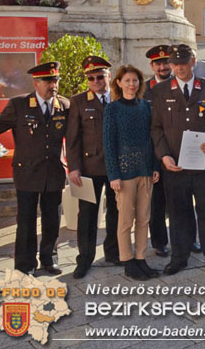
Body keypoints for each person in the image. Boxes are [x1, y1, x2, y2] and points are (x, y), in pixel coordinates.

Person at [0, 62, 69, 275]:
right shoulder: (18, 105)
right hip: (27, 172)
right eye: (48, 81)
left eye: (55, 80)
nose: (53, 85)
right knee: (26, 221)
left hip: (54, 172)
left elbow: (76, 136)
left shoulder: (64, 105)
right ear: (36, 83)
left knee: (52, 219)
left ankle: (49, 258)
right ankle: (25, 264)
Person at [150, 44, 205, 274]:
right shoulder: (160, 91)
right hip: (174, 166)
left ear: (193, 61)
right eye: (175, 63)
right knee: (177, 214)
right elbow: (156, 128)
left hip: (203, 165)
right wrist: (164, 155)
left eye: (183, 62)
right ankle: (179, 257)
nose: (179, 67)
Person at [103, 65, 160, 281]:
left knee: (144, 219)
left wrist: (155, 166)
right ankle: (127, 261)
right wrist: (113, 175)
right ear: (118, 83)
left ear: (140, 83)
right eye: (126, 80)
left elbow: (151, 139)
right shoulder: (113, 109)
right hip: (124, 173)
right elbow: (109, 143)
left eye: (135, 80)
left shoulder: (146, 106)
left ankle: (141, 258)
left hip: (145, 170)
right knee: (125, 220)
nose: (131, 84)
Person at [66, 56, 120, 279]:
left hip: (117, 167)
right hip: (88, 168)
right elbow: (72, 138)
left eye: (100, 76)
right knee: (87, 215)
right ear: (87, 80)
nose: (96, 81)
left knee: (117, 213)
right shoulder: (78, 101)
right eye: (91, 78)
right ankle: (84, 258)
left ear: (109, 76)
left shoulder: (120, 97)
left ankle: (113, 253)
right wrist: (74, 167)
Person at [143, 45, 172, 257]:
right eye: (158, 63)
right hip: (154, 154)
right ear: (152, 66)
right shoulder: (144, 90)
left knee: (182, 201)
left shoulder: (180, 85)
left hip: (178, 152)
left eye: (165, 62)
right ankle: (159, 242)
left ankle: (188, 239)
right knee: (157, 203)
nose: (162, 66)